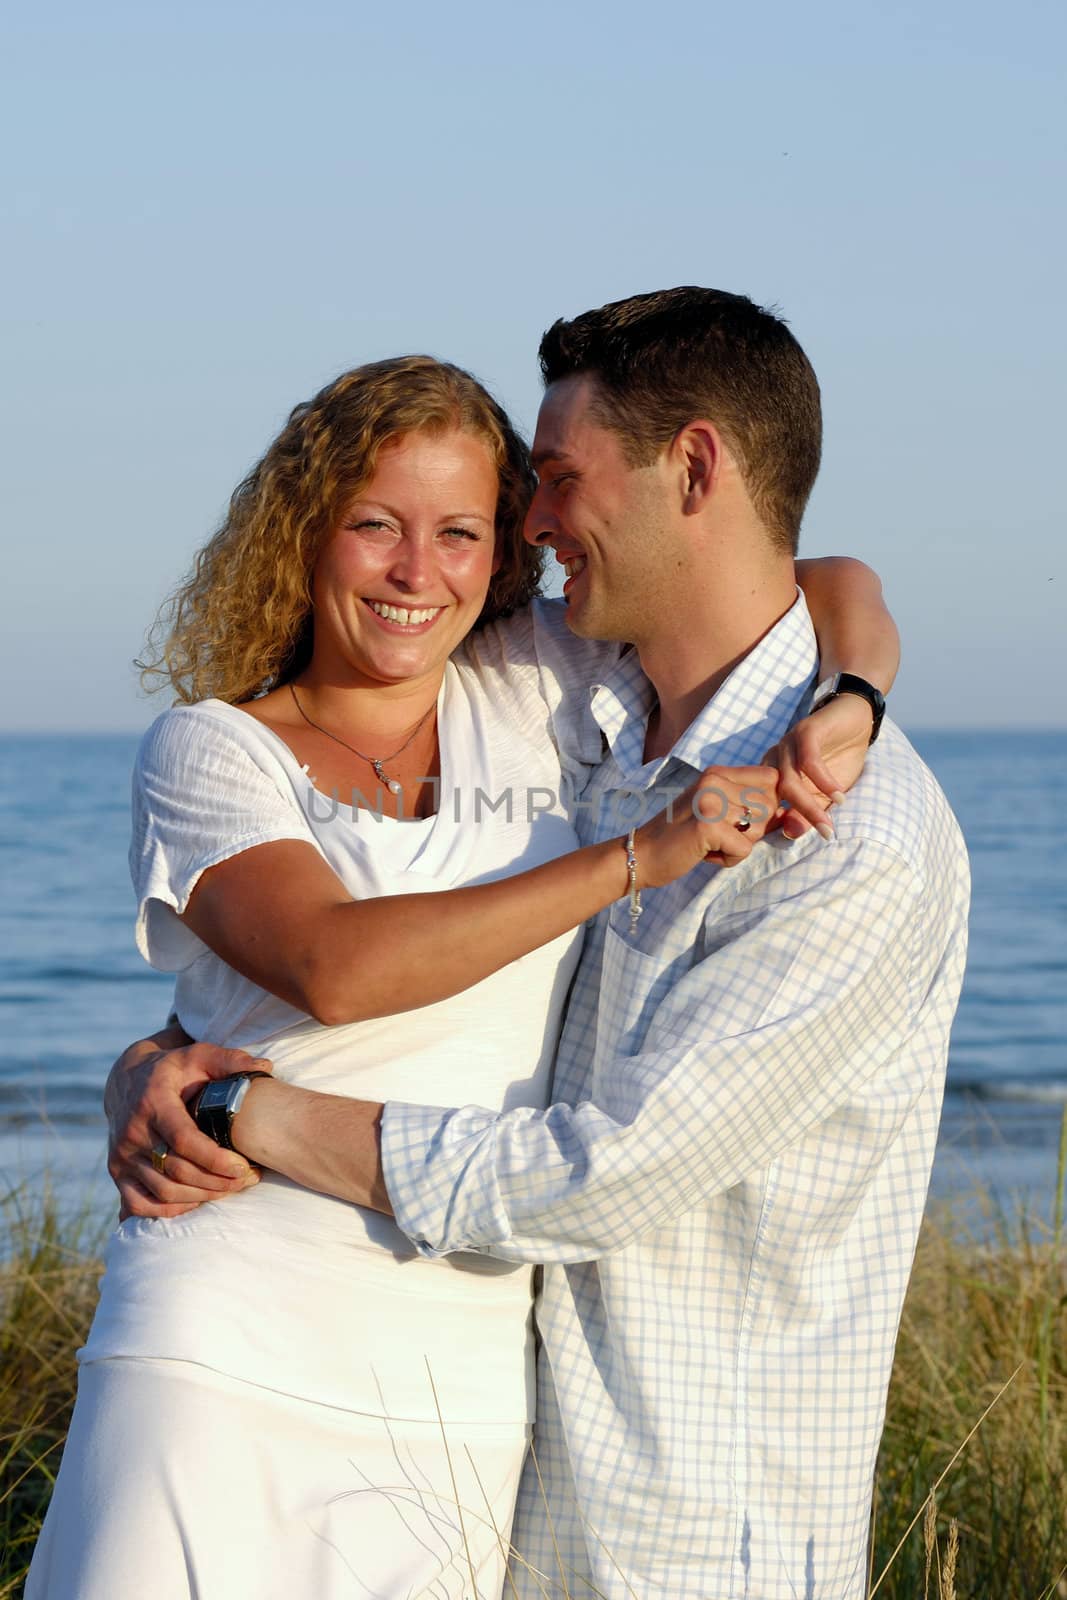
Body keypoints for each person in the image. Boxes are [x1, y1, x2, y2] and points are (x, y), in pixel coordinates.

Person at [52, 328, 900, 1599]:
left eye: (459, 534)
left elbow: (811, 574)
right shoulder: (212, 751)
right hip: (218, 1341)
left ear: (503, 551)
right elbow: (331, 968)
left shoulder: (520, 677)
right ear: (303, 532)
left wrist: (854, 697)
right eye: (373, 525)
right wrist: (635, 857)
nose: (415, 573)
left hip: (461, 1378)